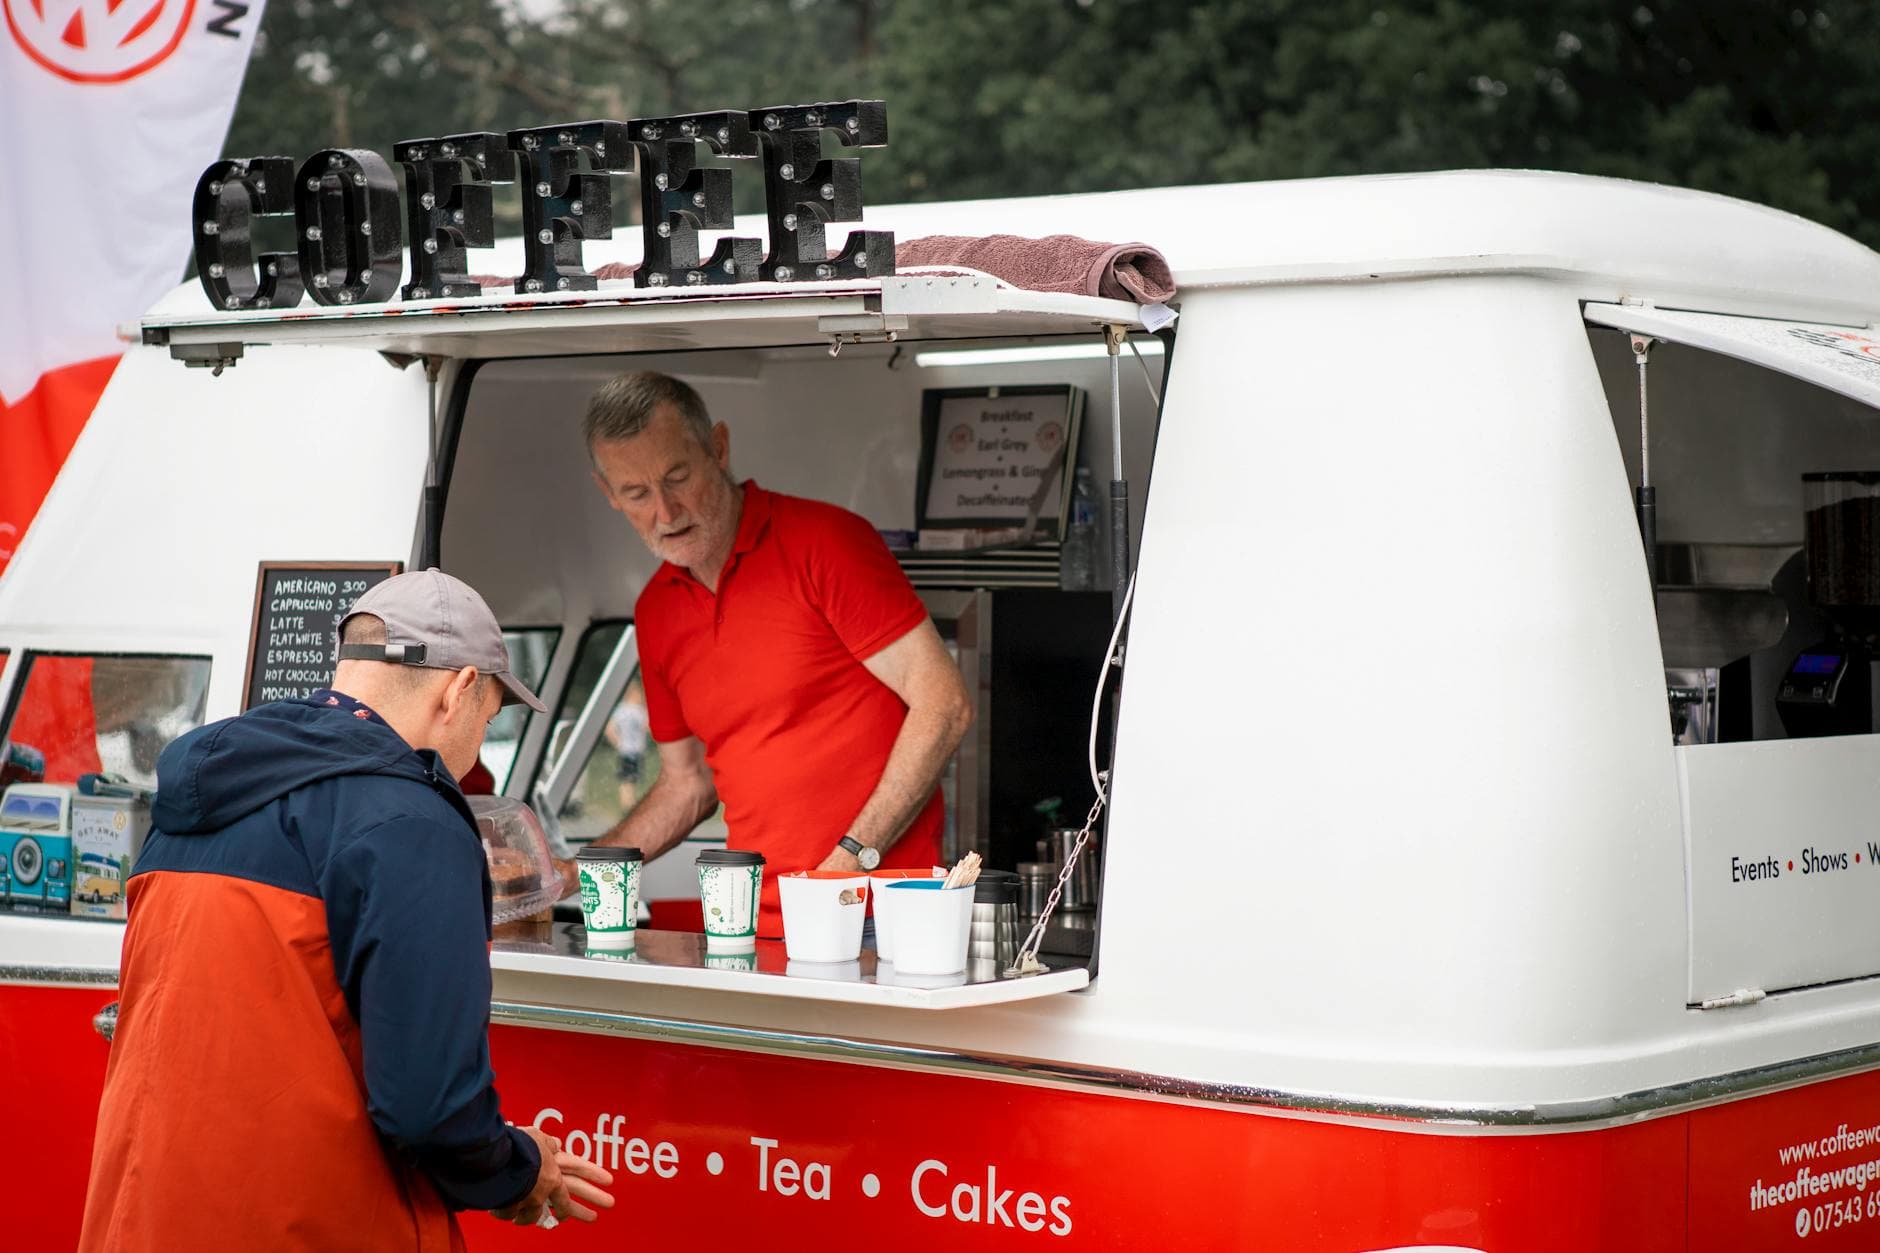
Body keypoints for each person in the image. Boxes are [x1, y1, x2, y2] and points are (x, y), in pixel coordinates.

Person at [79, 569, 615, 1251]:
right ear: (460, 690)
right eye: (491, 714)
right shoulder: (412, 821)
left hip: (142, 1217)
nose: (479, 747)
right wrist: (516, 1169)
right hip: (308, 1223)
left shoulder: (198, 792)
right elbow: (429, 1105)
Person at [568, 371, 973, 937]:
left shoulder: (825, 543)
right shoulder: (655, 611)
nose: (665, 511)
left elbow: (944, 704)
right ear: (609, 494)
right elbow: (687, 786)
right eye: (636, 493)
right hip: (750, 927)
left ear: (720, 448)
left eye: (677, 476)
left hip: (880, 917)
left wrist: (847, 865)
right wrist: (572, 872)